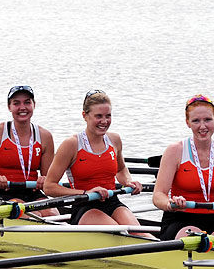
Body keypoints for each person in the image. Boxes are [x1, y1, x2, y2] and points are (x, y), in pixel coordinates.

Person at [43, 89, 145, 228]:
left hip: (112, 202)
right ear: (85, 115)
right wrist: (85, 193)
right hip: (85, 206)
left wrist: (129, 182)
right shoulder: (71, 144)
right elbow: (49, 187)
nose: (104, 121)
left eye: (108, 116)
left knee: (141, 233)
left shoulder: (114, 140)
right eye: (99, 116)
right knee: (120, 233)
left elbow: (121, 169)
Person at [152, 95, 214, 240]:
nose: (203, 126)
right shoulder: (175, 151)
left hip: (212, 218)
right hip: (178, 219)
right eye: (196, 121)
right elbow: (158, 196)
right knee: (193, 237)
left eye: (207, 119)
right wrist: (170, 203)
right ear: (188, 123)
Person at [0, 85, 56, 214]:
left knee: (53, 214)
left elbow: (49, 180)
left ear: (34, 105)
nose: (22, 107)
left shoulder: (45, 136)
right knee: (33, 214)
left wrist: (45, 179)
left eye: (27, 102)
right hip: (3, 193)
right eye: (16, 103)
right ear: (9, 107)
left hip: (32, 192)